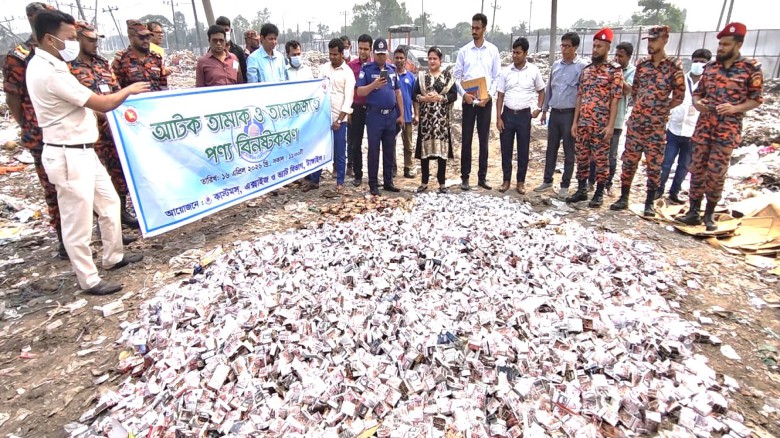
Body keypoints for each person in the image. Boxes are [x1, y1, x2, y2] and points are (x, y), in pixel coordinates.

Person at [27, 10, 150, 295]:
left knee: (109, 204)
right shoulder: (48, 71)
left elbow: (87, 107)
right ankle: (89, 279)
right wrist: (129, 90)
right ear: (49, 38)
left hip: (84, 151)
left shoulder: (55, 66)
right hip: (68, 155)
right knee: (77, 223)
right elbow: (102, 103)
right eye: (70, 38)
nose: (73, 42)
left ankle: (113, 257)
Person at [678, 23, 763, 231]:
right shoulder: (711, 68)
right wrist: (698, 103)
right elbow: (699, 93)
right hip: (704, 128)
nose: (721, 48)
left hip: (727, 131)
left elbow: (756, 99)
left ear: (739, 44)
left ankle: (709, 215)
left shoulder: (751, 69)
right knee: (696, 170)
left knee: (716, 174)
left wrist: (735, 108)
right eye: (720, 44)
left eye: (726, 44)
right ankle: (692, 212)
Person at [3, 2, 64, 259]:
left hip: (69, 130)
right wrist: (27, 124)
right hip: (40, 133)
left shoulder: (60, 51)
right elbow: (13, 99)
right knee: (54, 189)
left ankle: (86, 235)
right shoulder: (19, 56)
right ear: (33, 20)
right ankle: (64, 240)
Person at [68, 20, 139, 229]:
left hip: (114, 131)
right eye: (90, 40)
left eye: (96, 39)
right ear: (77, 38)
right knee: (94, 183)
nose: (95, 44)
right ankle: (101, 224)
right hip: (90, 134)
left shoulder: (102, 63)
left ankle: (119, 215)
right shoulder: (68, 68)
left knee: (118, 173)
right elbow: (75, 102)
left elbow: (116, 91)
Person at [610, 25, 685, 216]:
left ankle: (649, 202)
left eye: (654, 40)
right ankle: (624, 197)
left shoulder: (673, 66)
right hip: (636, 123)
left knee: (654, 166)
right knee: (629, 161)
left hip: (656, 126)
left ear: (665, 40)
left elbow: (679, 96)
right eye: (649, 40)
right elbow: (635, 91)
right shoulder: (642, 65)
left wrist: (662, 109)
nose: (650, 44)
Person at [567, 28, 623, 208]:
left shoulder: (614, 71)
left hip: (601, 125)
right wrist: (575, 122)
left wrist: (610, 126)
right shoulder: (587, 70)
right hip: (584, 123)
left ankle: (599, 193)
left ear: (608, 47)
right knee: (582, 157)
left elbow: (615, 100)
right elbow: (580, 96)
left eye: (599, 46)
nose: (595, 50)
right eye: (594, 46)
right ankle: (582, 190)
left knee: (601, 160)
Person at [656, 48, 712, 204]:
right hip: (674, 128)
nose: (698, 64)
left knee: (684, 165)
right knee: (666, 162)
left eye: (702, 62)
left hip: (693, 131)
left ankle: (674, 192)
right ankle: (659, 189)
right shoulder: (681, 80)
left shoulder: (707, 85)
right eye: (696, 61)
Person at [535, 32, 585, 199]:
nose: (563, 49)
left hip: (570, 114)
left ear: (575, 47)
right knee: (551, 148)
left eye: (567, 46)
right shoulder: (555, 66)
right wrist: (544, 110)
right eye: (562, 46)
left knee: (569, 151)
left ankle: (565, 185)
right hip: (555, 113)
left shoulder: (582, 67)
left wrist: (577, 121)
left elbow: (581, 95)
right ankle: (547, 180)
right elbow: (549, 89)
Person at [454, 12, 500, 191]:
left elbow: (497, 76)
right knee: (466, 140)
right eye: (472, 27)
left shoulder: (493, 51)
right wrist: (464, 94)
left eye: (477, 28)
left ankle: (482, 177)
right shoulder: (464, 51)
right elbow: (457, 77)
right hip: (468, 102)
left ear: (484, 29)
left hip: (485, 102)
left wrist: (489, 94)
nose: (474, 31)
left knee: (483, 140)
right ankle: (464, 177)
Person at [301, 38, 354, 194]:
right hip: (322, 119)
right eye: (330, 54)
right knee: (318, 150)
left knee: (339, 151)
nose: (332, 57)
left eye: (335, 54)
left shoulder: (348, 73)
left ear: (342, 53)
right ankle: (314, 181)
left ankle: (340, 183)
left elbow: (348, 99)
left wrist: (339, 120)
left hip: (339, 120)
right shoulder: (324, 69)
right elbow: (318, 90)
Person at [496, 37, 545, 195]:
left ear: (525, 53)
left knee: (523, 149)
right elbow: (500, 96)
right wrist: (498, 117)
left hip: (524, 115)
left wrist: (538, 108)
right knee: (506, 149)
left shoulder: (534, 71)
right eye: (513, 52)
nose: (514, 55)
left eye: (518, 53)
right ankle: (506, 181)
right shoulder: (506, 72)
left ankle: (521, 182)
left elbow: (541, 91)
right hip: (508, 115)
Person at [356, 37, 404, 196]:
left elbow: (398, 92)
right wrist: (374, 85)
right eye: (378, 54)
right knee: (374, 150)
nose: (381, 57)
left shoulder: (391, 70)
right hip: (374, 116)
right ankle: (373, 184)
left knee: (389, 150)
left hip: (391, 116)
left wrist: (402, 114)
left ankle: (388, 181)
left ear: (387, 53)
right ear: (373, 53)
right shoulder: (367, 69)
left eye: (383, 54)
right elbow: (359, 91)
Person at [588, 41, 635, 197]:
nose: (617, 58)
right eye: (616, 55)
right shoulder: (608, 69)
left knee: (611, 156)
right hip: (600, 119)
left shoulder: (631, 72)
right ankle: (591, 182)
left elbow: (629, 91)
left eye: (621, 56)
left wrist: (618, 75)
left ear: (629, 57)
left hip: (616, 121)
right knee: (595, 154)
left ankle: (607, 184)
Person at [413, 47, 457, 194]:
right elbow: (414, 94)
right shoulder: (422, 77)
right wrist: (424, 98)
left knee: (441, 152)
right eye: (430, 58)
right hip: (426, 120)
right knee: (425, 152)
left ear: (440, 60)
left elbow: (454, 95)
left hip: (441, 121)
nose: (432, 61)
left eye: (435, 59)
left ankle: (442, 183)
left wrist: (442, 98)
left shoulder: (447, 78)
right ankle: (424, 182)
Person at [112, 19, 167, 91]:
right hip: (132, 101)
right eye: (141, 37)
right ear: (130, 37)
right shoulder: (121, 60)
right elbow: (115, 89)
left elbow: (163, 85)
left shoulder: (156, 58)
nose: (146, 41)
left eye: (148, 37)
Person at [347, 34, 373, 186]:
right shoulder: (351, 66)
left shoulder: (375, 65)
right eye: (360, 48)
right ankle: (358, 174)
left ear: (370, 49)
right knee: (355, 143)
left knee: (373, 143)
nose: (363, 52)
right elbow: (349, 90)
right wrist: (349, 110)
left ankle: (372, 175)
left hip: (371, 108)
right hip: (356, 109)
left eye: (366, 49)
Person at [393, 47, 416, 179]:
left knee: (408, 145)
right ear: (393, 58)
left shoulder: (411, 77)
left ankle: (408, 168)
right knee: (391, 144)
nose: (399, 60)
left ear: (405, 60)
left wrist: (416, 114)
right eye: (397, 58)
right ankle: (392, 169)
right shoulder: (389, 74)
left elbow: (415, 98)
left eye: (402, 58)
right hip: (393, 116)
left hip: (407, 116)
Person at [215, 16, 247, 83]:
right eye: (221, 30)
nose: (223, 33)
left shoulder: (238, 51)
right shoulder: (211, 52)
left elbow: (244, 75)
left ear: (231, 30)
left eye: (226, 30)